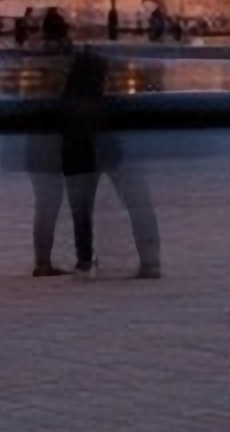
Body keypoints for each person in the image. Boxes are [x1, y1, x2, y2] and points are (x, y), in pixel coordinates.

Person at [31, 49, 159, 277]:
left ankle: (84, 261)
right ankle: (150, 261)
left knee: (81, 209)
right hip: (108, 152)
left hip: (80, 156)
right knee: (137, 204)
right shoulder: (106, 100)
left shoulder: (67, 102)